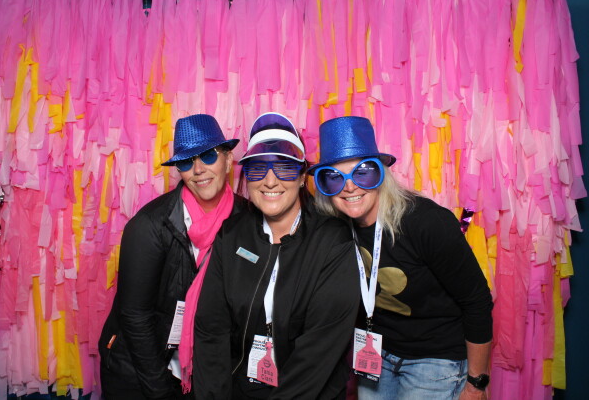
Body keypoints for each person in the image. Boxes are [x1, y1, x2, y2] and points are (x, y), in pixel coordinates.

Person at [310, 116, 493, 400]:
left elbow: (477, 300)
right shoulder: (335, 227)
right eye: (334, 177)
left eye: (363, 172)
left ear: (381, 173)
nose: (349, 186)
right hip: (377, 354)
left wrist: (476, 383)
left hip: (435, 358)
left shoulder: (426, 223)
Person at [193, 112, 360, 399]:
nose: (270, 182)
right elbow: (211, 330)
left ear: (302, 176)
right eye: (258, 169)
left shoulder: (333, 241)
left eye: (284, 168)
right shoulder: (231, 235)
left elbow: (319, 351)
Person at [99, 113, 245, 399]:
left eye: (208, 156)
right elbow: (135, 317)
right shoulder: (149, 226)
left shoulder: (247, 219)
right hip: (140, 373)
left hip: (205, 373)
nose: (198, 169)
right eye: (186, 162)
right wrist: (161, 393)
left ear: (228, 160)